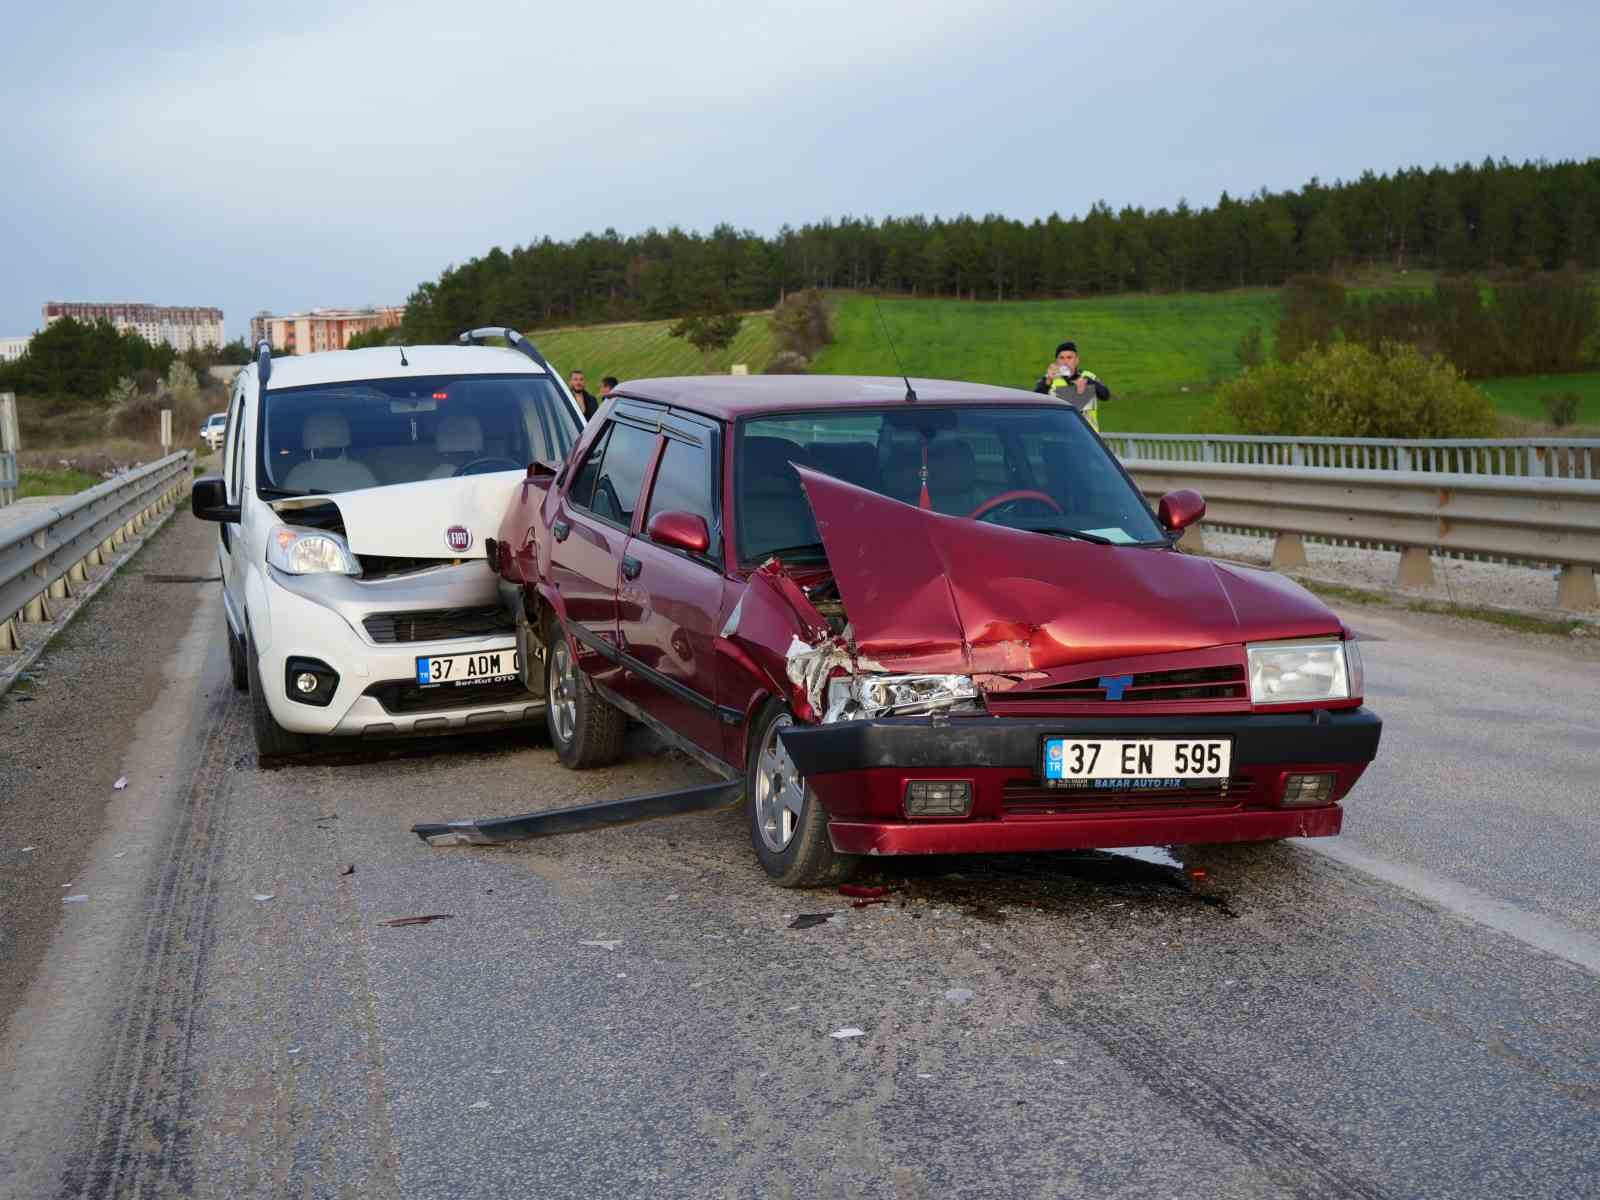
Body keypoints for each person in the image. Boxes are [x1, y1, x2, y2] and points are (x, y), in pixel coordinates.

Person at [1034, 341, 1111, 431]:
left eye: (1069, 357)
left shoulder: (1088, 376)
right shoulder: (1050, 379)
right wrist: (1047, 381)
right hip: (1059, 436)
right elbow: (1036, 404)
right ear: (1057, 361)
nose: (1065, 361)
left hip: (1087, 436)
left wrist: (1088, 382)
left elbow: (1105, 396)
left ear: (1077, 360)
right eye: (1061, 358)